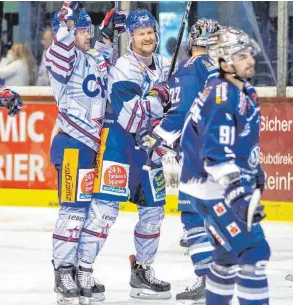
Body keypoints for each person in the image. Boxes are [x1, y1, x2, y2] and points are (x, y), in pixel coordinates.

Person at [77, 9, 172, 300]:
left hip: (150, 150)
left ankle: (142, 272)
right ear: (131, 37)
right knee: (105, 212)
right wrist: (160, 99)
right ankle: (83, 271)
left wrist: (166, 106)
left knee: (154, 213)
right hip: (121, 148)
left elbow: (178, 108)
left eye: (151, 32)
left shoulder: (167, 66)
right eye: (141, 33)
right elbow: (131, 117)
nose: (147, 38)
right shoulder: (122, 68)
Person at [178, 26, 269, 305]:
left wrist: (254, 172)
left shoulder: (241, 88)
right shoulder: (222, 95)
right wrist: (238, 193)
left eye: (249, 53)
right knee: (255, 251)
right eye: (242, 55)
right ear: (224, 61)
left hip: (215, 187)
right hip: (212, 189)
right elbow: (216, 153)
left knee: (227, 259)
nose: (250, 60)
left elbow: (238, 141)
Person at [45, 2, 125, 304]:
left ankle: (82, 269)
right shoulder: (59, 58)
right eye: (80, 30)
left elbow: (110, 57)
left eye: (86, 28)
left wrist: (109, 32)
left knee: (100, 213)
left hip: (98, 146)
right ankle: (63, 270)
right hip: (72, 144)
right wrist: (67, 16)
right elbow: (62, 47)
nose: (85, 34)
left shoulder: (93, 56)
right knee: (74, 212)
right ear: (65, 31)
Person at [137, 18, 220, 304]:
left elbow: (182, 111)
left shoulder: (192, 68)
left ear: (193, 39)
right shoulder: (218, 69)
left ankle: (209, 280)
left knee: (194, 217)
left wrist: (156, 135)